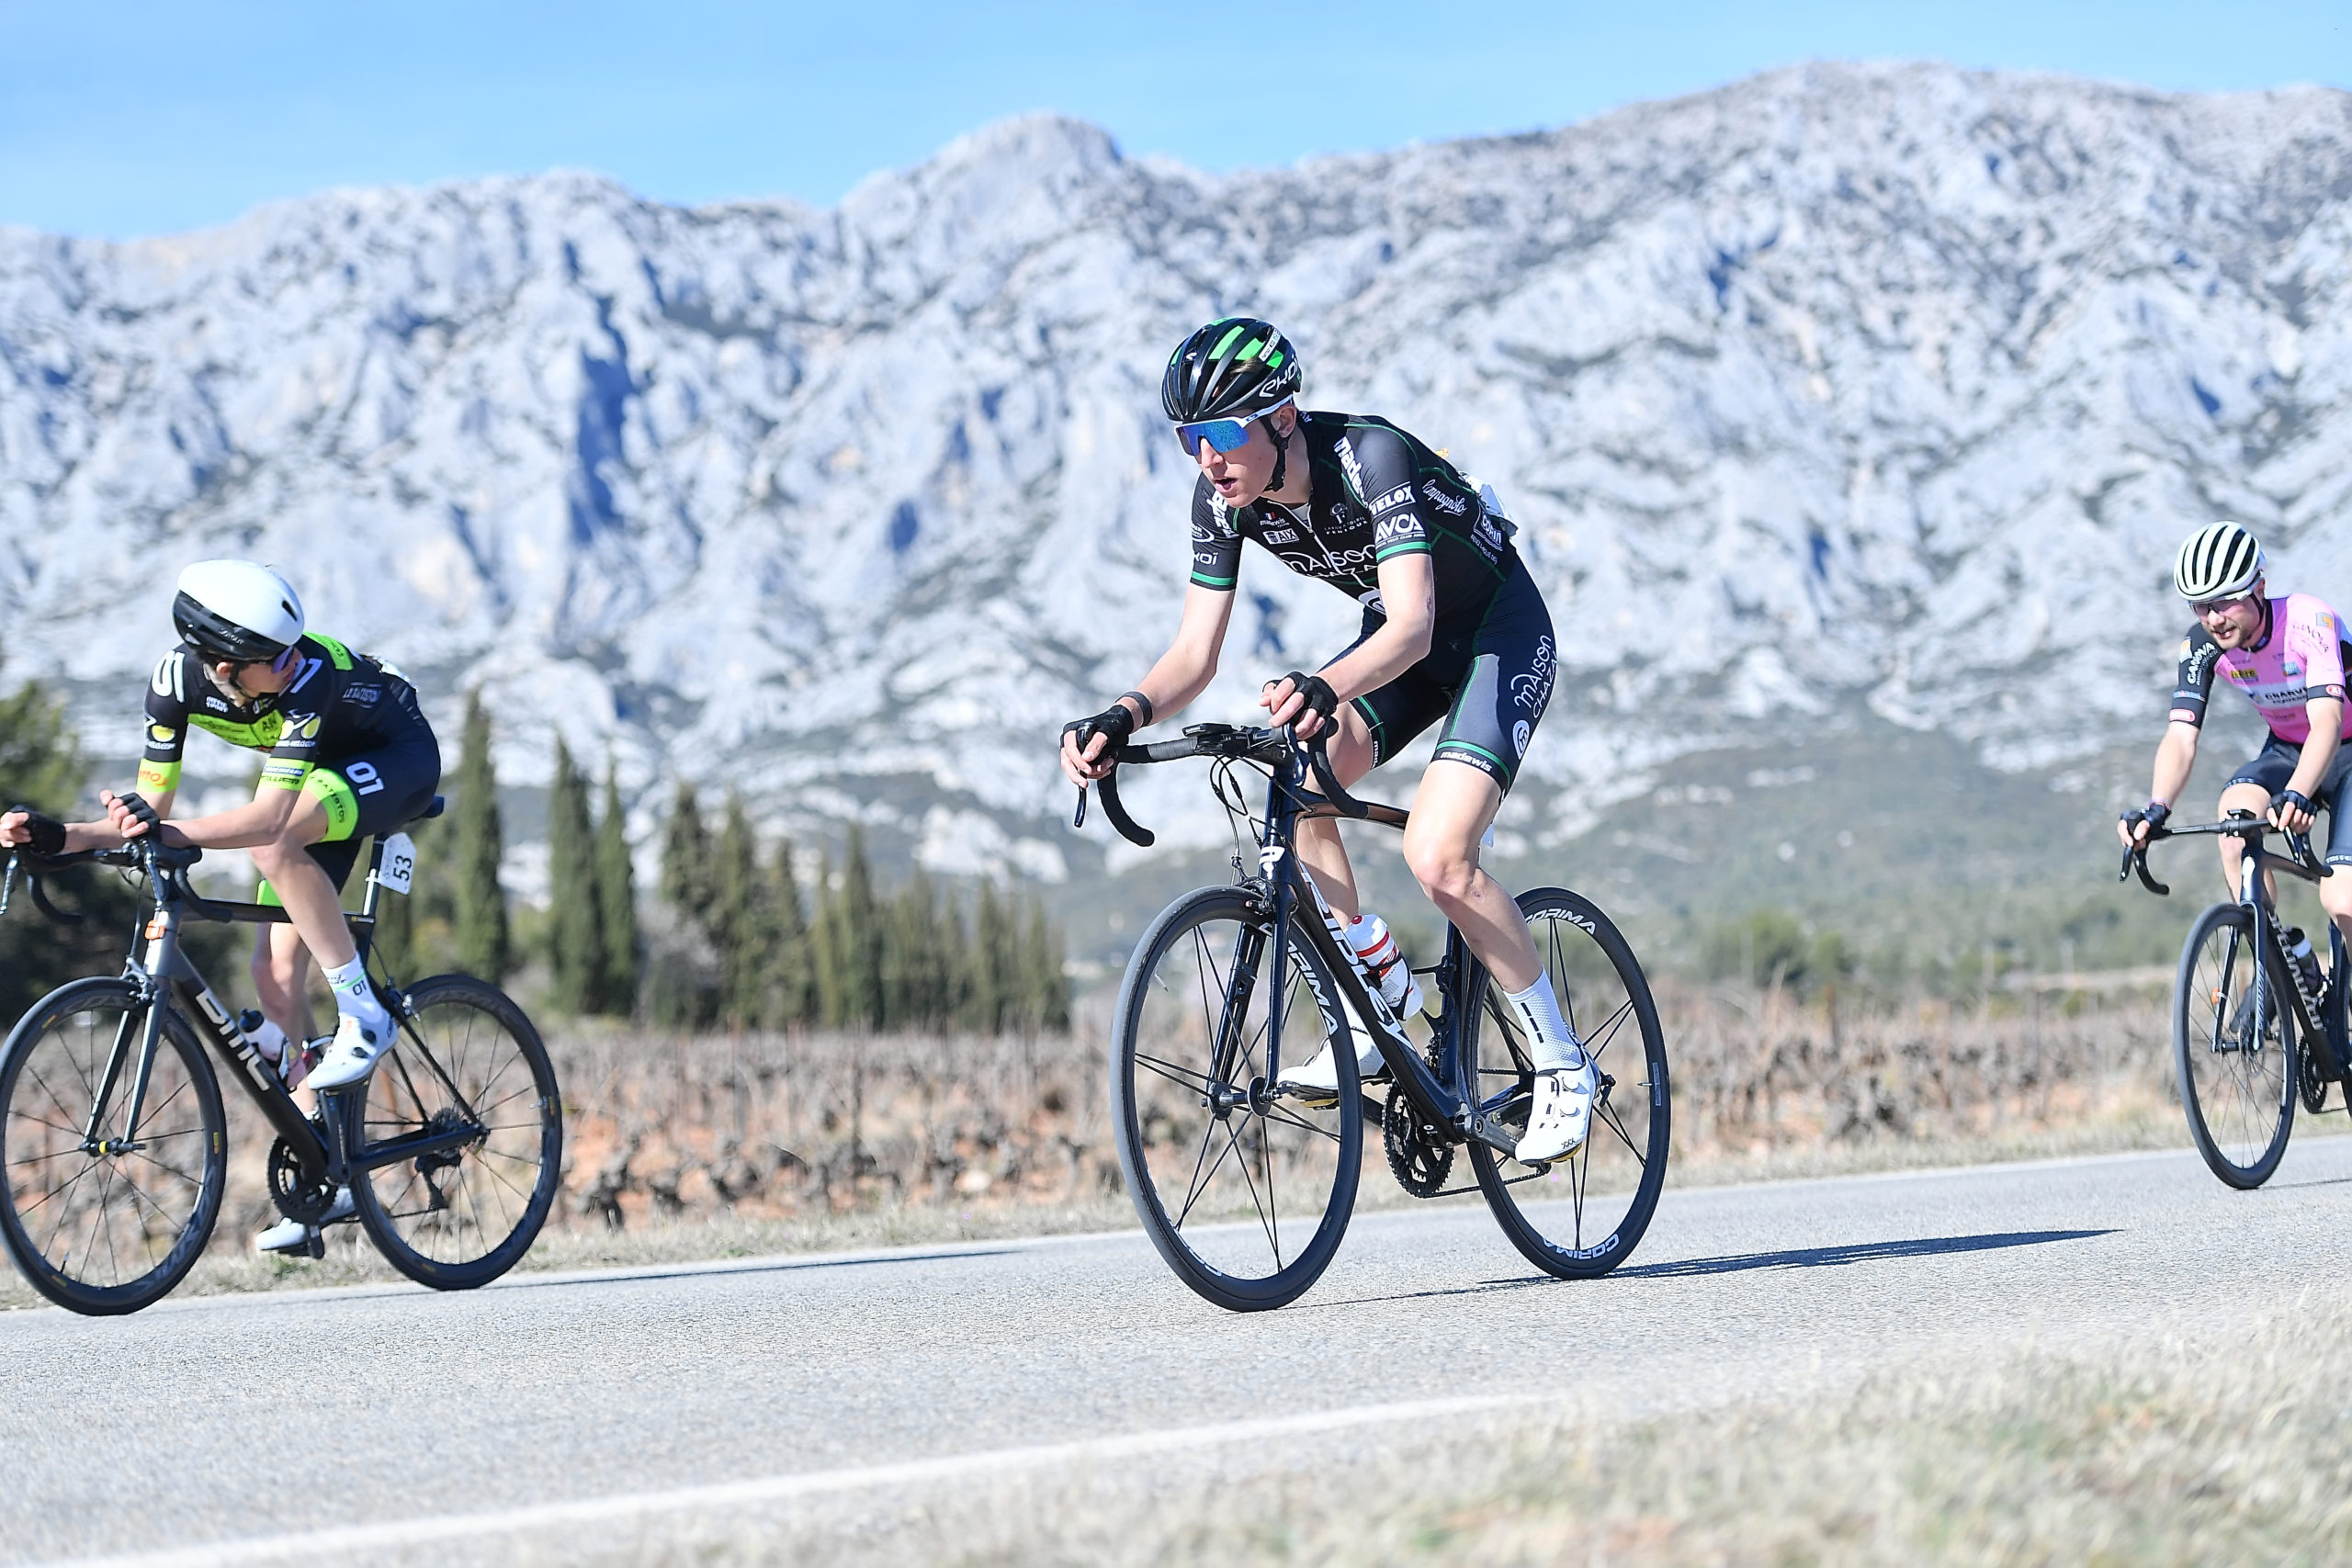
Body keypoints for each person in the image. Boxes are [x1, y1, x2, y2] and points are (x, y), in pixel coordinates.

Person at [1059, 318, 1595, 1161]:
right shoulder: (1222, 498)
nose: (1208, 458)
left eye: (1225, 433)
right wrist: (1123, 714)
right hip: (1400, 648)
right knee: (1293, 768)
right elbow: (1196, 653)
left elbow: (1414, 625)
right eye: (1189, 438)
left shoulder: (1368, 458)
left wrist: (1324, 683)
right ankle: (1373, 987)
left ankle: (1562, 1061)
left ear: (1283, 419)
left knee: (1439, 856)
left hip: (1493, 632)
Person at [0, 560, 441, 1252]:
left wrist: (170, 834)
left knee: (276, 841)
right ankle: (324, 1172)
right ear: (223, 665)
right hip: (318, 783)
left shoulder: (310, 677)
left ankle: (364, 1012)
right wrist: (58, 836)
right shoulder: (174, 684)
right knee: (272, 978)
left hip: (394, 756)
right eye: (273, 656)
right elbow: (154, 810)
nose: (290, 661)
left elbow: (267, 820)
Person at [2120, 521, 2352, 967]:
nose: (2214, 617)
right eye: (2201, 605)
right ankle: (2284, 964)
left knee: (2341, 899)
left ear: (2259, 589)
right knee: (2233, 823)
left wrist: (2301, 791)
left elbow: (2328, 721)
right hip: (2287, 748)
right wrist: (2156, 808)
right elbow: (2181, 737)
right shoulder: (2204, 645)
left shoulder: (2308, 621)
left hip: (2346, 747)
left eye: (2225, 600)